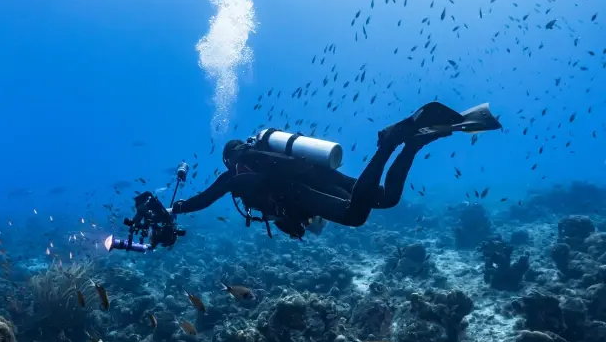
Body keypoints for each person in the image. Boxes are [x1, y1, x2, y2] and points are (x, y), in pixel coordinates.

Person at [169, 102, 501, 239]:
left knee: (355, 215)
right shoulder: (261, 158)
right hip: (316, 173)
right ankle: (412, 144)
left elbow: (204, 199)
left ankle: (390, 143)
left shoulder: (235, 175)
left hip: (299, 189)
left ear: (229, 159)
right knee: (385, 199)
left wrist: (175, 208)